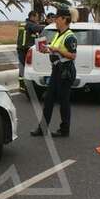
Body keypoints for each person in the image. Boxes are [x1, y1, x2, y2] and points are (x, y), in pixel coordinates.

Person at [31, 8, 77, 138]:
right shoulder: (58, 34)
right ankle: (42, 129)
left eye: (57, 18)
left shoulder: (70, 37)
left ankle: (64, 130)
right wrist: (48, 50)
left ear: (64, 19)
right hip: (56, 70)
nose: (55, 20)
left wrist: (57, 49)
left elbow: (73, 55)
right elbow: (56, 51)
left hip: (65, 71)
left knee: (64, 102)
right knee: (49, 99)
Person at [16, 11, 42, 91]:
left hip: (20, 48)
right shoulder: (30, 25)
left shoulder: (22, 23)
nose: (38, 19)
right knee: (27, 67)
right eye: (37, 17)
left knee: (22, 66)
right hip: (26, 49)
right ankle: (27, 85)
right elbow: (39, 29)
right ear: (32, 17)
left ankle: (21, 85)